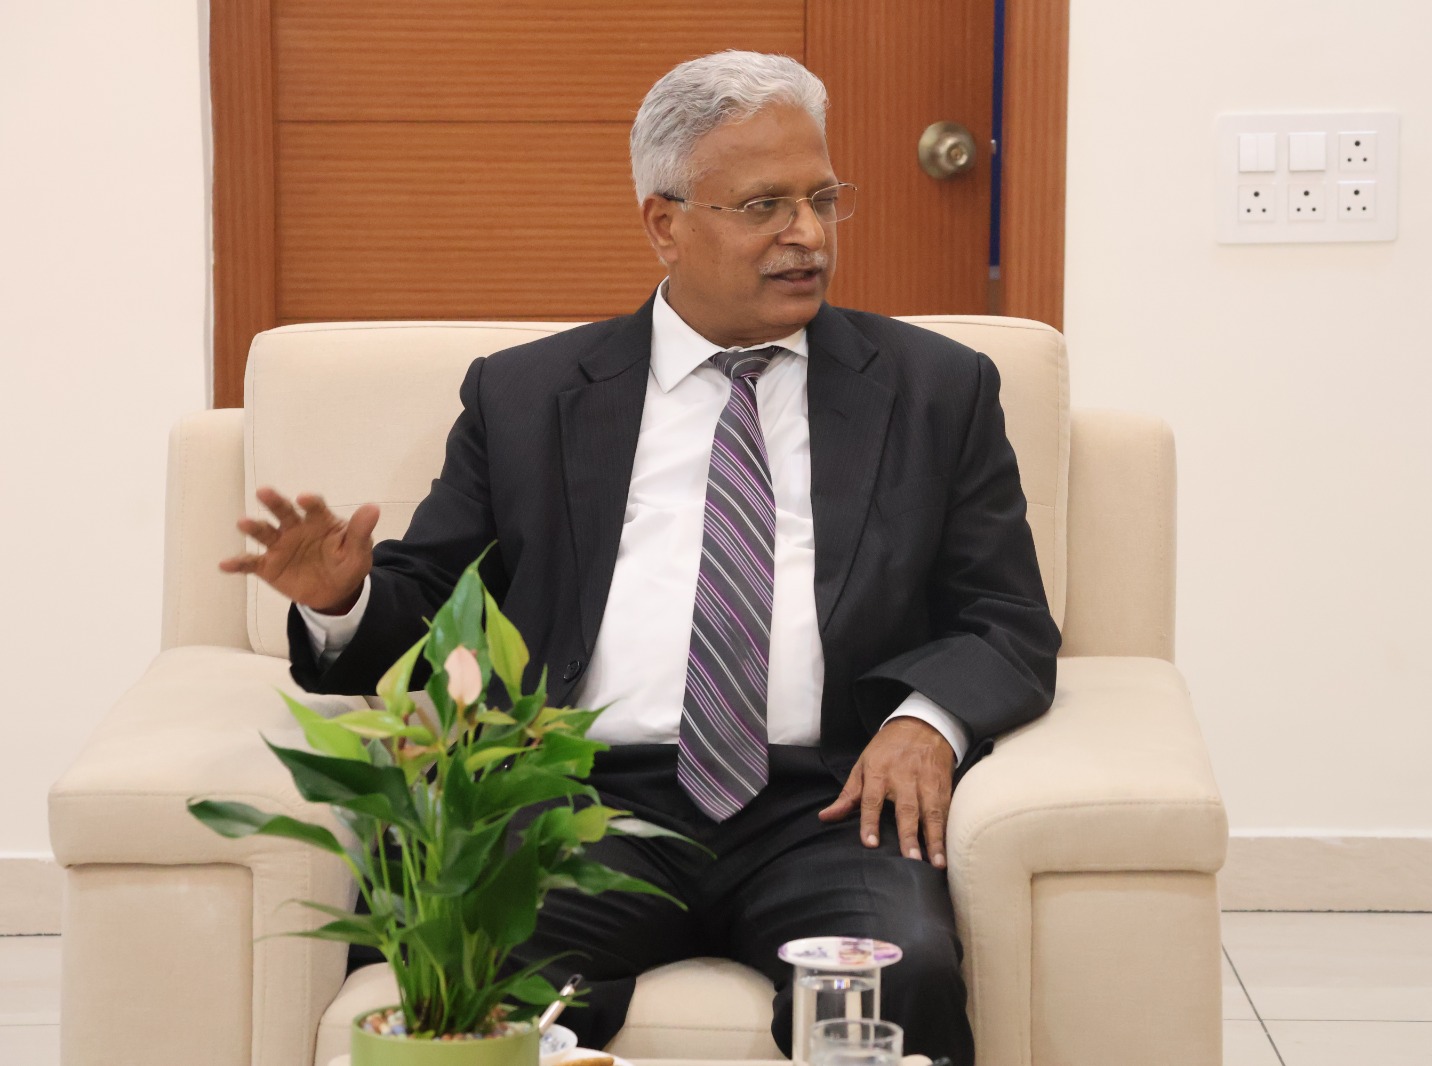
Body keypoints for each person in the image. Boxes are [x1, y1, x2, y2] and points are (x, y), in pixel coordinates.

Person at [220, 50, 1059, 1065]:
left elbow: (1007, 620)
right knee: (469, 975)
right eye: (764, 206)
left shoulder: (935, 390)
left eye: (821, 198)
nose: (807, 233)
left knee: (902, 971)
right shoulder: (528, 397)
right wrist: (344, 599)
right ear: (664, 224)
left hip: (828, 803)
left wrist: (926, 721)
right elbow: (429, 598)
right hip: (582, 801)